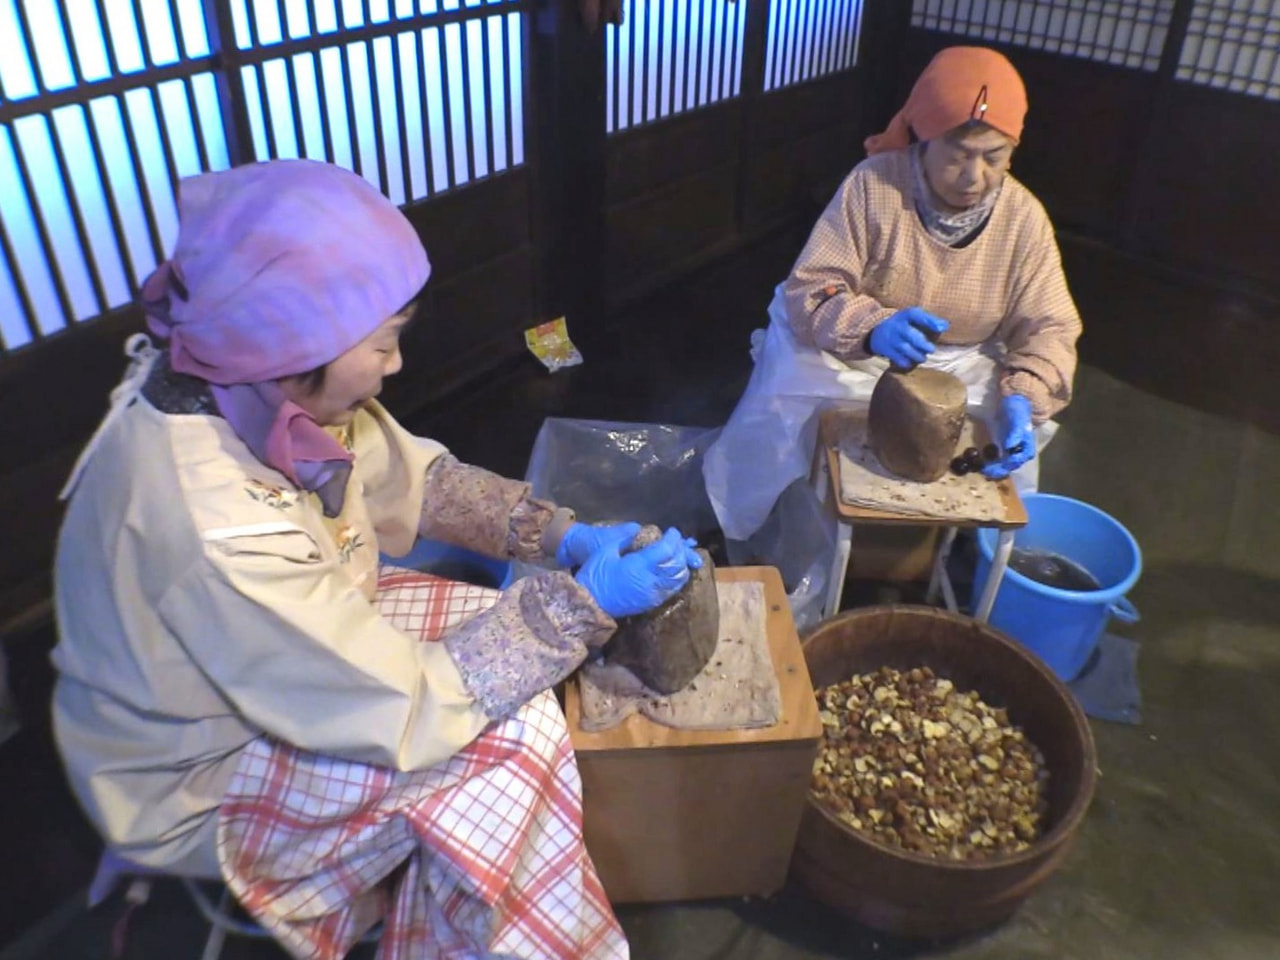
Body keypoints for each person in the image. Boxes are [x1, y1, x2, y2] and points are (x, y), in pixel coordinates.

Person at [51, 159, 701, 960]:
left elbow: (414, 482)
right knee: (510, 745)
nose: (394, 365)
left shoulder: (253, 384)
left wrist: (559, 535)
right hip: (197, 764)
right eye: (384, 341)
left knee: (510, 654)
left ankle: (432, 880)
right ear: (293, 345)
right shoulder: (213, 519)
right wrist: (580, 602)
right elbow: (404, 704)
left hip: (274, 662)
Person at [703, 46, 1083, 543]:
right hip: (859, 352)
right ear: (923, 138)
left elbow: (1050, 326)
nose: (974, 176)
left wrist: (1025, 396)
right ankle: (743, 527)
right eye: (958, 154)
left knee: (1011, 435)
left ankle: (972, 549)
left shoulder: (1023, 218)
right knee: (785, 394)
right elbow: (812, 287)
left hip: (963, 363)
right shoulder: (873, 185)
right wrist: (873, 327)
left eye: (994, 157)